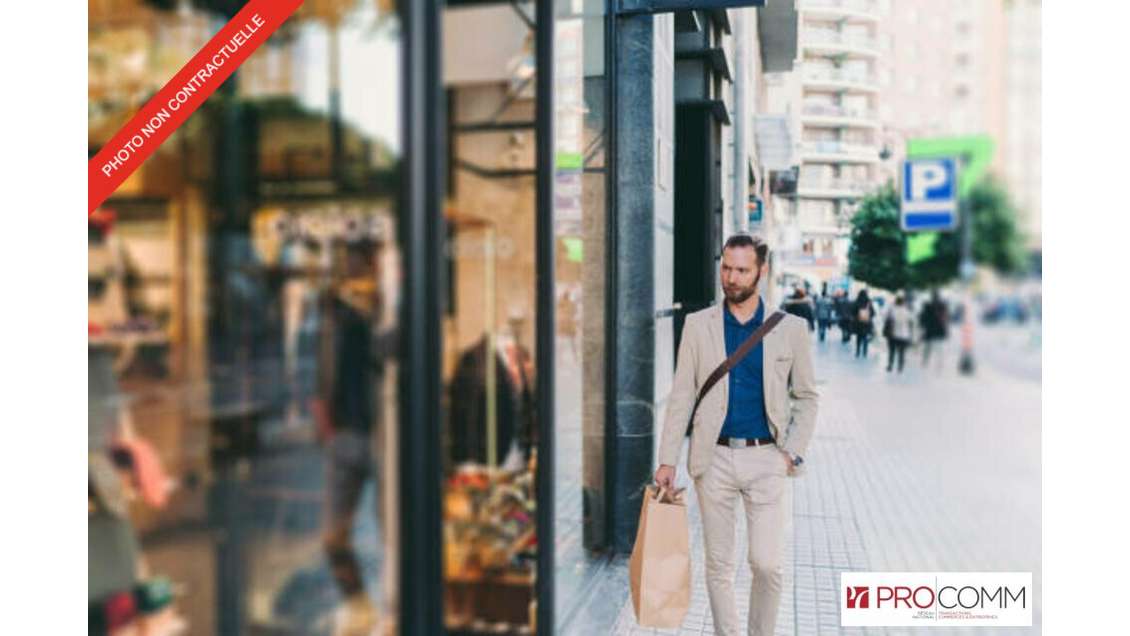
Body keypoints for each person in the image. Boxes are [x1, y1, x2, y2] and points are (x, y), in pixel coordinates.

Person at [654, 234, 819, 636]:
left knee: (767, 564)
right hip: (714, 461)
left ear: (761, 273)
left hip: (767, 459)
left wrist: (789, 454)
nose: (731, 277)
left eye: (742, 269)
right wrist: (667, 459)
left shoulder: (789, 329)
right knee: (719, 565)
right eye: (726, 267)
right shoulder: (698, 325)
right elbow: (681, 397)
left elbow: (808, 397)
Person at [883, 295, 914, 373]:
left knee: (892, 351)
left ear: (896, 302)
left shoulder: (892, 310)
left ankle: (890, 366)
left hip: (893, 334)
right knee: (902, 352)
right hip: (904, 335)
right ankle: (900, 367)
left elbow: (885, 318)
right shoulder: (907, 311)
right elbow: (911, 322)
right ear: (903, 303)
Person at [919, 290, 949, 369]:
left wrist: (922, 326)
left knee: (928, 347)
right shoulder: (942, 306)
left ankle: (925, 362)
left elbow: (923, 317)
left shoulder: (927, 305)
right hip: (939, 330)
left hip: (930, 330)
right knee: (939, 348)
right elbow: (946, 318)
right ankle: (939, 364)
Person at [852, 289, 876, 358]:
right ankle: (865, 352)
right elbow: (873, 313)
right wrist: (868, 316)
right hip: (866, 323)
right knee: (865, 336)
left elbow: (853, 311)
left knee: (859, 337)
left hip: (858, 322)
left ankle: (857, 351)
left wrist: (857, 316)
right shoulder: (868, 302)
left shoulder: (857, 301)